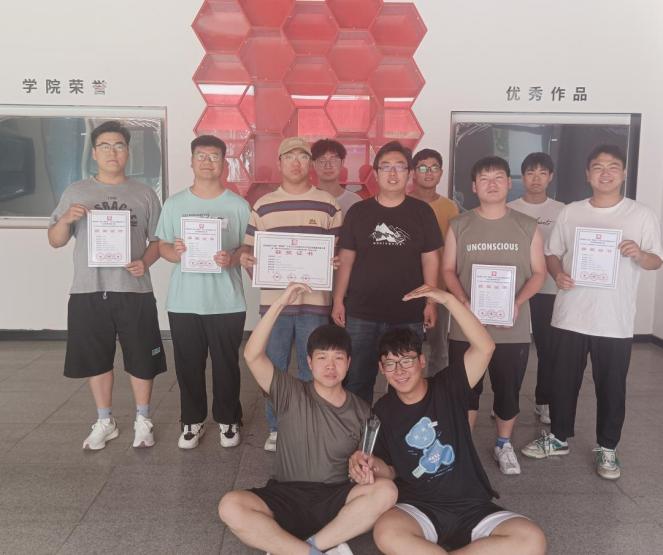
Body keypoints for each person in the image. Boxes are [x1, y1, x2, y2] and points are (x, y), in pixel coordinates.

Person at [348, 285, 546, 555]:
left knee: (532, 540)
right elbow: (390, 470)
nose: (399, 370)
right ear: (382, 369)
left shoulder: (448, 386)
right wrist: (367, 463)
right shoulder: (383, 411)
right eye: (390, 364)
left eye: (406, 361)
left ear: (421, 361)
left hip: (471, 505)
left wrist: (448, 300)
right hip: (418, 507)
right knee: (386, 532)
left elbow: (485, 347)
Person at [218, 283, 397, 555]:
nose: (330, 366)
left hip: (335, 498)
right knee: (230, 506)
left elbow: (386, 471)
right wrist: (280, 303)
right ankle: (314, 550)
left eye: (338, 358)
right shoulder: (289, 392)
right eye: (322, 358)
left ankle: (300, 547)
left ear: (349, 363)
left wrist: (367, 465)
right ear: (310, 363)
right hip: (286, 495)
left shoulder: (362, 410)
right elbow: (252, 355)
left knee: (386, 491)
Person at [521, 145, 663, 480]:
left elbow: (656, 261)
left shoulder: (641, 215)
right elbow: (552, 253)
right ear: (588, 174)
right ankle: (558, 437)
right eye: (598, 167)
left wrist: (639, 254)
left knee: (611, 386)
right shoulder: (572, 212)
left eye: (613, 167)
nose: (605, 173)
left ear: (624, 173)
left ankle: (607, 447)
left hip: (614, 319)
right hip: (571, 313)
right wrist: (558, 274)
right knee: (562, 381)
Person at [47, 120, 166, 450]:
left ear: (128, 151)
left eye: (119, 145)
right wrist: (66, 219)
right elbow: (55, 240)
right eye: (105, 146)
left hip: (134, 289)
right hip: (88, 290)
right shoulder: (76, 192)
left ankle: (143, 419)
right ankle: (105, 420)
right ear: (94, 153)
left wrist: (146, 261)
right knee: (96, 358)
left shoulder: (145, 194)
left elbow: (158, 241)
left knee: (141, 358)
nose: (112, 152)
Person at [442, 156, 545, 475]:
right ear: (474, 186)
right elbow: (447, 270)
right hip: (466, 328)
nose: (491, 183)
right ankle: (463, 447)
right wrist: (464, 301)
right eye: (484, 178)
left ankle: (504, 444)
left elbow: (539, 273)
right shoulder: (459, 224)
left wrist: (517, 302)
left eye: (498, 177)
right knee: (466, 389)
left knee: (508, 390)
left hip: (512, 328)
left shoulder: (527, 225)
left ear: (509, 183)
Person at [239, 136, 342, 451]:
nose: (296, 163)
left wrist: (334, 262)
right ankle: (276, 428)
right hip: (275, 306)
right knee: (274, 368)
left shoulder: (328, 203)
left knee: (314, 367)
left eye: (302, 157)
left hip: (315, 304)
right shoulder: (263, 205)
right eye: (289, 157)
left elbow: (340, 252)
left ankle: (312, 426)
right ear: (280, 163)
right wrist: (248, 261)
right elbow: (248, 249)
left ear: (310, 163)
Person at [155, 135, 250, 449]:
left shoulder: (237, 205)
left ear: (224, 163)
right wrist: (176, 252)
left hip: (226, 301)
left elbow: (247, 248)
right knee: (188, 366)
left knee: (226, 365)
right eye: (201, 156)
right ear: (192, 161)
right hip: (184, 302)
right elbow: (163, 246)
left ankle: (228, 419)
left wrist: (231, 258)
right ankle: (191, 421)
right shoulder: (175, 204)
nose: (207, 162)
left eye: (214, 156)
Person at [333, 141, 442, 403]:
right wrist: (338, 300)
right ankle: (360, 427)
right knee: (358, 378)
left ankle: (398, 426)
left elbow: (430, 259)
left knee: (405, 380)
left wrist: (430, 302)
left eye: (400, 167)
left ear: (409, 173)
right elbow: (346, 258)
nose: (393, 173)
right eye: (386, 167)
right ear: (375, 172)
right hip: (362, 312)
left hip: (407, 312)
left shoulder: (422, 212)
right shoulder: (359, 212)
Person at [507, 152, 565, 424]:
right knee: (509, 348)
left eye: (542, 173)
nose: (536, 178)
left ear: (550, 177)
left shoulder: (562, 211)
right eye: (531, 172)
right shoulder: (509, 208)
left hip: (549, 289)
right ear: (522, 176)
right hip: (514, 290)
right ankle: (505, 402)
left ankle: (544, 401)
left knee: (548, 348)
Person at [410, 148, 460, 371]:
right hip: (407, 286)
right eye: (422, 168)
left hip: (439, 286)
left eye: (434, 168)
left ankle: (437, 388)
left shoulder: (450, 207)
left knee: (438, 347)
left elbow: (454, 248)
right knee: (405, 345)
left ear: (441, 173)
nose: (428, 172)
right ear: (413, 173)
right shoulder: (403, 203)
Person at [311, 138, 362, 216]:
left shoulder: (355, 202)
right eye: (322, 160)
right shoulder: (305, 201)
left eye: (333, 160)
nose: (328, 166)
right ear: (314, 164)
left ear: (342, 162)